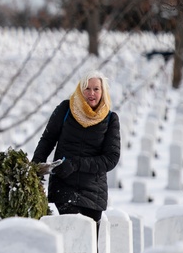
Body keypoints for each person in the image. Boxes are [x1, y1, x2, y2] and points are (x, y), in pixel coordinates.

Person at [32, 70, 121, 225]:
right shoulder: (66, 109)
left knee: (89, 243)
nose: (91, 93)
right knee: (69, 235)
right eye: (87, 88)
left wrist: (75, 164)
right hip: (63, 186)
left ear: (103, 91)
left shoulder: (110, 119)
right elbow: (47, 140)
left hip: (94, 193)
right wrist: (34, 169)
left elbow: (111, 158)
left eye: (96, 89)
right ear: (80, 89)